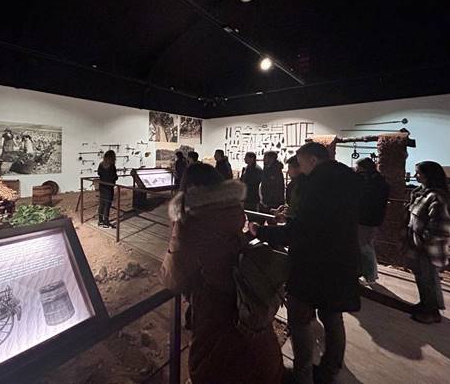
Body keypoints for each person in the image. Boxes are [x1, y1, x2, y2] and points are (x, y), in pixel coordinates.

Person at [160, 163, 284, 384]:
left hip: (216, 321)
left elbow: (172, 278)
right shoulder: (234, 209)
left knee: (214, 369)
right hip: (250, 317)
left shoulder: (190, 220)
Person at [249, 142, 360, 384]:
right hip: (341, 261)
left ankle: (303, 376)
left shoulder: (316, 184)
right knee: (333, 317)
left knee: (300, 320)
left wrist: (262, 232)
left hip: (313, 264)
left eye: (300, 163)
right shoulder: (348, 179)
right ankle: (330, 371)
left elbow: (301, 230)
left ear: (312, 160)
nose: (299, 168)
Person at [406, 161, 450, 324]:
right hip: (418, 244)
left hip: (428, 247)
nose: (415, 176)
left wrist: (424, 241)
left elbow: (439, 226)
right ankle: (425, 304)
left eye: (418, 173)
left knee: (428, 279)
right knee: (421, 277)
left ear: (429, 175)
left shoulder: (437, 197)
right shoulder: (421, 193)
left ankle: (432, 312)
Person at [355, 157, 389, 284]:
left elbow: (364, 198)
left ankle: (370, 276)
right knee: (366, 245)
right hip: (372, 218)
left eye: (358, 168)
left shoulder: (370, 181)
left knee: (365, 246)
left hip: (366, 218)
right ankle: (368, 274)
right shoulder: (378, 180)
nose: (356, 170)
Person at [97, 150, 118, 228]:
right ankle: (106, 222)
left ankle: (100, 221)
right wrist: (115, 178)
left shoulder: (101, 164)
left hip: (102, 186)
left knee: (102, 204)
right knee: (107, 205)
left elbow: (99, 173)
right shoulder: (111, 165)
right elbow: (114, 176)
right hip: (109, 187)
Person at [240, 152, 263, 218]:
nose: (244, 159)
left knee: (253, 215)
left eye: (246, 157)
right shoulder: (246, 168)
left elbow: (255, 183)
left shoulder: (257, 170)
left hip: (252, 197)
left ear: (252, 158)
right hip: (246, 196)